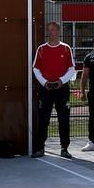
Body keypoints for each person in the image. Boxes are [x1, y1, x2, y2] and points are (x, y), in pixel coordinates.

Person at [31, 21, 75, 159]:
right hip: (45, 90)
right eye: (48, 30)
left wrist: (61, 81)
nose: (51, 32)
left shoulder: (66, 48)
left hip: (62, 89)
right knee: (43, 119)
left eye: (53, 30)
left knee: (64, 118)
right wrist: (44, 83)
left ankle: (64, 148)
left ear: (58, 32)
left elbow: (71, 69)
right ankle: (40, 148)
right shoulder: (42, 49)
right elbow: (36, 68)